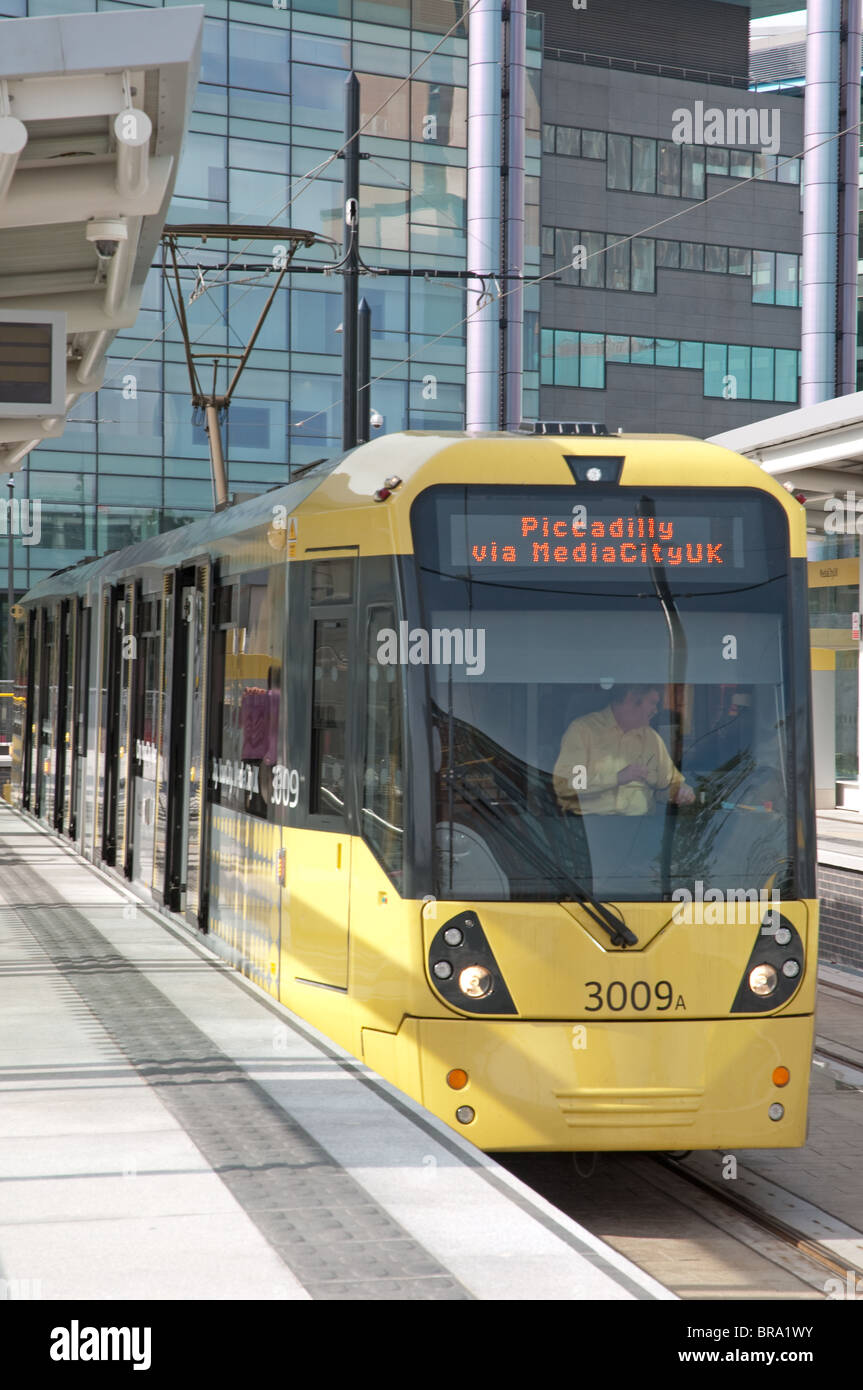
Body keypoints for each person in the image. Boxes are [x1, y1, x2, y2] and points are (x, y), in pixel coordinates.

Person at [553, 683, 696, 816]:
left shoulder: (652, 738)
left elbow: (666, 786)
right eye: (653, 702)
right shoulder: (583, 731)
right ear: (631, 698)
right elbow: (566, 786)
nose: (656, 710)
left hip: (641, 830)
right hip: (589, 829)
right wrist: (616, 778)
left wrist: (679, 792)